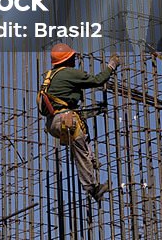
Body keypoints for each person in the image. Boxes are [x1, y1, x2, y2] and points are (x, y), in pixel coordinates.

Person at [37, 43, 120, 201]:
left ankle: (91, 164)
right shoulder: (68, 73)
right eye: (72, 57)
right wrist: (111, 66)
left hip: (53, 121)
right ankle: (92, 186)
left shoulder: (50, 75)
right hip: (65, 119)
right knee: (80, 150)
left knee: (81, 133)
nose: (75, 59)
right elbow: (98, 80)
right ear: (66, 60)